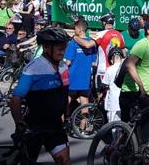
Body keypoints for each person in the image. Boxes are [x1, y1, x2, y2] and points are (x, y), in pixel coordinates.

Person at [10, 27, 71, 165]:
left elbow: (64, 94)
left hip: (55, 126)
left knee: (65, 162)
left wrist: (67, 116)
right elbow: (15, 99)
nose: (63, 52)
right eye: (59, 49)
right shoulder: (33, 68)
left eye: (64, 48)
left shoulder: (63, 67)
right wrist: (19, 123)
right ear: (47, 47)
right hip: (34, 127)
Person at [120, 18, 149, 145]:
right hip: (133, 93)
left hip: (143, 93)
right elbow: (129, 64)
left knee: (143, 132)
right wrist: (141, 87)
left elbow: (143, 69)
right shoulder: (142, 44)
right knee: (130, 135)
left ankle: (141, 156)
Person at [71, 13, 124, 85]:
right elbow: (124, 52)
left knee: (101, 95)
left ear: (104, 23)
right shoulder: (120, 35)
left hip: (103, 71)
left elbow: (87, 45)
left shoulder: (101, 34)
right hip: (117, 71)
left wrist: (75, 37)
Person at [64, 19, 96, 113]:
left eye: (74, 28)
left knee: (66, 101)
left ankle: (62, 124)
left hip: (72, 77)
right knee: (84, 103)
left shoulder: (73, 43)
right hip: (85, 78)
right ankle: (83, 127)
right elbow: (94, 62)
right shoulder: (92, 43)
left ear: (79, 29)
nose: (74, 31)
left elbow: (68, 62)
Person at [102, 47, 124, 122]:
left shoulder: (109, 69)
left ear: (111, 60)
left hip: (112, 102)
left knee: (113, 125)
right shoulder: (125, 69)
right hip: (123, 100)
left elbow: (104, 84)